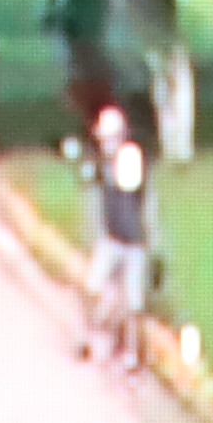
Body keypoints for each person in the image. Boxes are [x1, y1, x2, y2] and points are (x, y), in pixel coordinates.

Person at [75, 96, 161, 361]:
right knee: (92, 288)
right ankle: (89, 336)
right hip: (111, 238)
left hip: (134, 242)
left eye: (109, 137)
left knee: (133, 302)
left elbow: (141, 199)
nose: (105, 143)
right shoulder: (101, 162)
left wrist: (154, 244)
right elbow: (94, 196)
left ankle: (131, 352)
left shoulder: (130, 160)